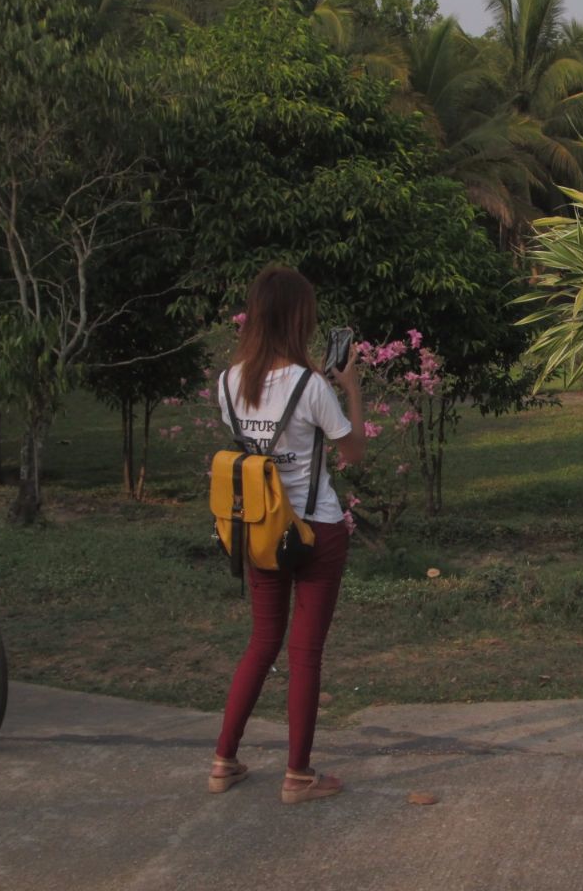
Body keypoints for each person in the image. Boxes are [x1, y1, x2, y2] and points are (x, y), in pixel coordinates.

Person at [207, 264, 366, 805]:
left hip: (259, 530)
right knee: (305, 653)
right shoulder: (313, 386)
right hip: (315, 530)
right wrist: (351, 388)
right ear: (298, 319)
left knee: (261, 643)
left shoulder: (229, 382)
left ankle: (223, 760)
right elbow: (351, 454)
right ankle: (298, 775)